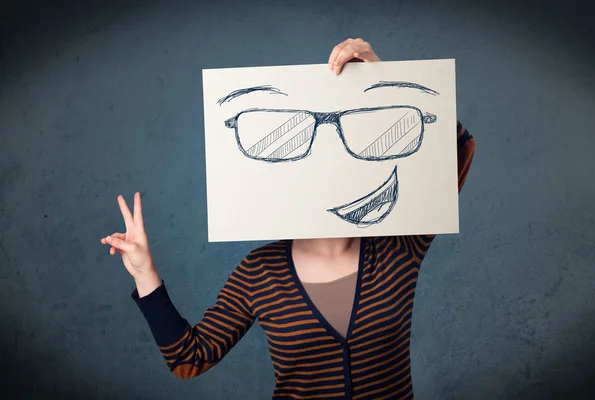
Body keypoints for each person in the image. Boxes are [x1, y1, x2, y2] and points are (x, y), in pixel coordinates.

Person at [101, 38, 476, 400]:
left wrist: (383, 79)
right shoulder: (259, 272)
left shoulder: (399, 247)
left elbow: (458, 151)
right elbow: (188, 360)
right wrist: (145, 273)